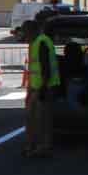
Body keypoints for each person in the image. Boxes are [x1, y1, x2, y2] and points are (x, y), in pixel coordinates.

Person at [24, 13, 61, 157]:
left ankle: (43, 146)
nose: (24, 37)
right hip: (37, 87)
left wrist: (42, 89)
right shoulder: (36, 42)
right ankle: (34, 145)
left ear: (31, 31)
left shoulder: (41, 42)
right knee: (32, 118)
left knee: (41, 119)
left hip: (44, 87)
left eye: (26, 33)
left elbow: (46, 68)